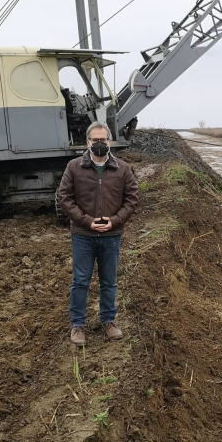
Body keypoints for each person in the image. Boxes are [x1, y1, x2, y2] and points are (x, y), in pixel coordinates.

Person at [58, 121, 139, 347]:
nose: (100, 144)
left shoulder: (123, 169)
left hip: (111, 235)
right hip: (83, 234)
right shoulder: (74, 167)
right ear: (88, 142)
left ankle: (108, 321)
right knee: (81, 281)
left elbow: (132, 199)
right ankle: (78, 325)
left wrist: (113, 221)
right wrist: (87, 221)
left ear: (110, 141)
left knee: (109, 281)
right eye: (95, 140)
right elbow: (65, 198)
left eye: (103, 140)